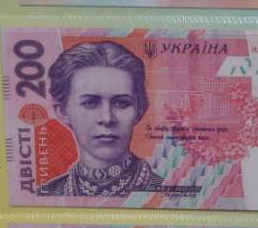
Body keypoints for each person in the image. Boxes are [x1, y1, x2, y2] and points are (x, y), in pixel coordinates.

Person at [37, 41, 163, 197]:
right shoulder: (46, 195)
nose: (107, 118)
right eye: (90, 103)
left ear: (140, 110)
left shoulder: (167, 194)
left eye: (121, 103)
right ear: (62, 111)